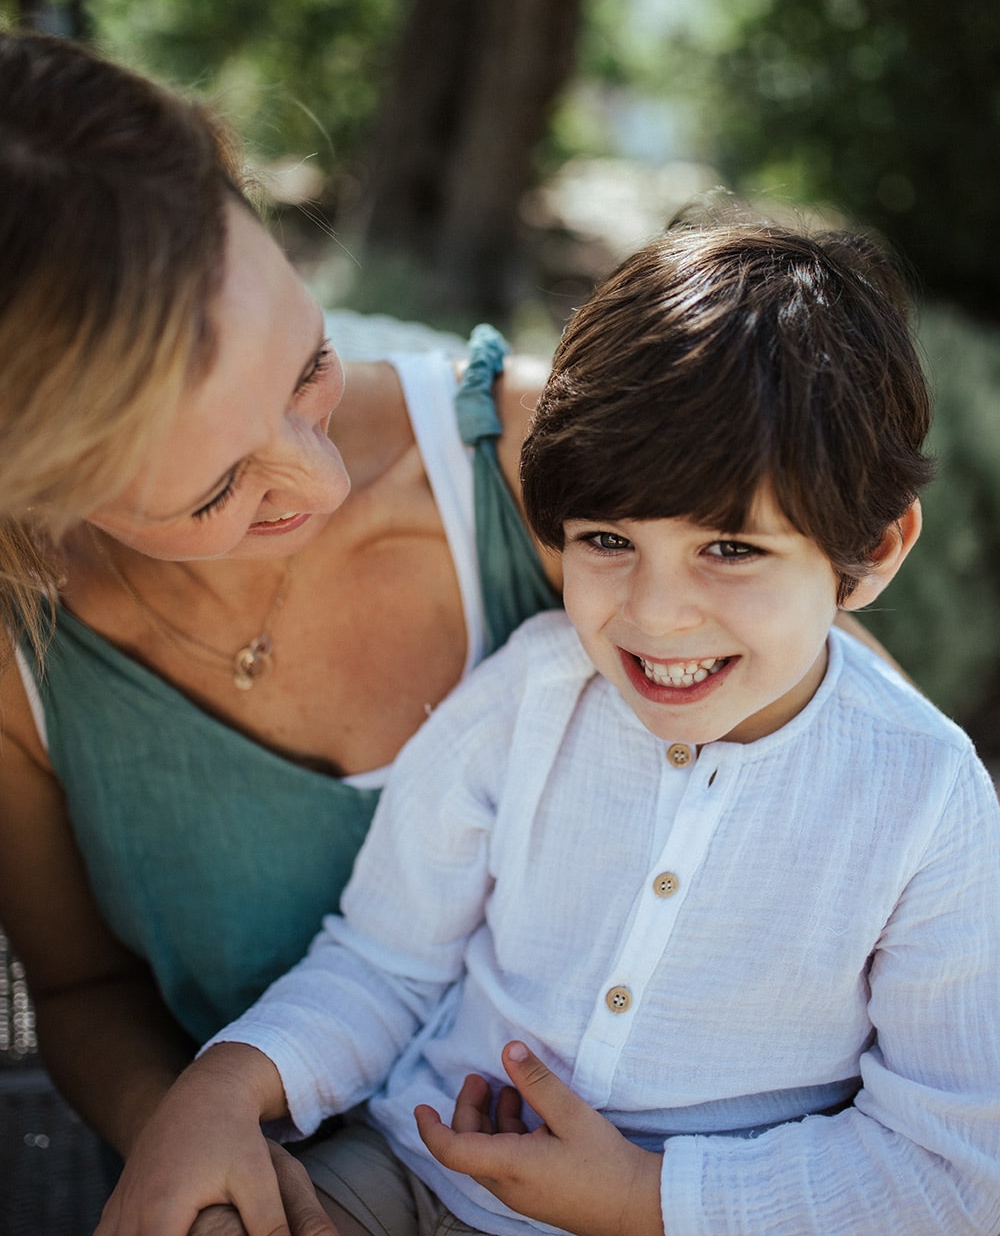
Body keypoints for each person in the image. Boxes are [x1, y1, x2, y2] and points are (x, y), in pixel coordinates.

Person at [95, 219, 1000, 1236]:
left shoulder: (927, 801)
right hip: (416, 1170)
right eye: (608, 540)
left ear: (871, 552)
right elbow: (385, 963)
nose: (654, 613)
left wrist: (641, 1198)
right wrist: (225, 1086)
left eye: (731, 550)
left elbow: (950, 1165)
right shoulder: (529, 694)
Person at [0, 27, 561, 1231]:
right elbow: (85, 985)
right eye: (215, 492)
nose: (317, 483)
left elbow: (885, 783)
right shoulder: (19, 656)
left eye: (309, 366)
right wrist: (190, 1147)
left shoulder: (548, 463)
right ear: (35, 494)